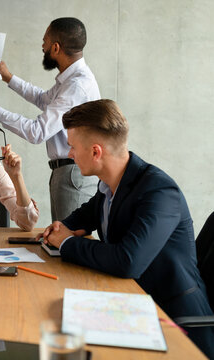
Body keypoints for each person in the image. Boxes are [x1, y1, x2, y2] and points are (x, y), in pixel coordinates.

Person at [40, 99, 214, 357]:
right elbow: (79, 219)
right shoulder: (109, 186)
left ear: (96, 152)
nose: (69, 154)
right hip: (132, 304)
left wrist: (66, 242)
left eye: (72, 147)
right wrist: (60, 229)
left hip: (175, 322)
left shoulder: (159, 191)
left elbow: (128, 261)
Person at [0, 17, 100, 222]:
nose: (42, 46)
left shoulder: (76, 86)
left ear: (56, 48)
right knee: (62, 240)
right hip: (66, 173)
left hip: (72, 175)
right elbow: (42, 99)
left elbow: (37, 132)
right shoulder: (70, 80)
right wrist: (8, 77)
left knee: (68, 240)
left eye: (45, 41)